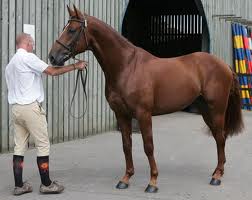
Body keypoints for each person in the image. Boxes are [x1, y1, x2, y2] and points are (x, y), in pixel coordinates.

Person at [5, 33, 87, 195]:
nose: (33, 46)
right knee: (43, 145)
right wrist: (75, 66)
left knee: (19, 146)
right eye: (32, 43)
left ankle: (19, 185)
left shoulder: (10, 64)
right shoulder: (28, 58)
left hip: (16, 109)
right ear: (27, 43)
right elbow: (51, 71)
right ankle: (47, 184)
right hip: (30, 108)